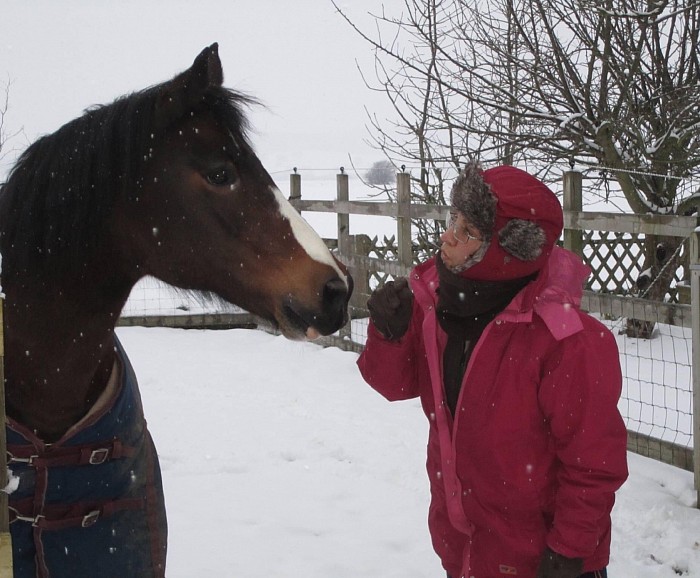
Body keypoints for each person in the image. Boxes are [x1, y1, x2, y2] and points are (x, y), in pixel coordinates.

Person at [357, 161, 628, 578]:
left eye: (467, 232)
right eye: (453, 219)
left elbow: (593, 464)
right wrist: (388, 334)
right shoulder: (438, 305)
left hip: (544, 562)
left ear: (505, 250)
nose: (447, 236)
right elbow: (394, 385)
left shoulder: (567, 342)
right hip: (467, 548)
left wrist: (570, 549)